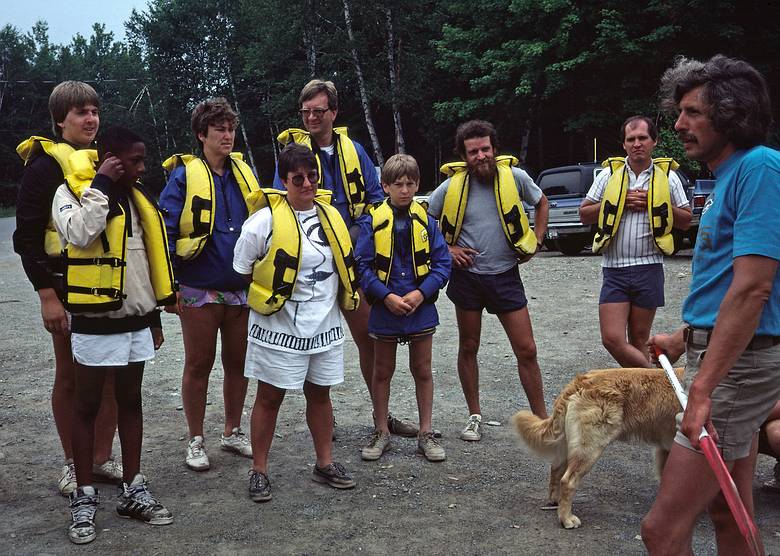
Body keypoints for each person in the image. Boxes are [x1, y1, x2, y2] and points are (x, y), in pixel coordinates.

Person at [641, 55, 780, 555]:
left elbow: (753, 289)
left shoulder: (760, 169)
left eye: (693, 112)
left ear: (731, 114)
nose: (679, 125)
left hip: (737, 368)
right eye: (679, 112)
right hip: (727, 359)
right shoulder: (728, 177)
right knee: (729, 511)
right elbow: (729, 287)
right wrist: (686, 336)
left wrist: (703, 388)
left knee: (662, 530)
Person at [52, 126, 175, 544]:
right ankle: (84, 495)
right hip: (93, 322)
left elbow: (142, 265)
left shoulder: (138, 201)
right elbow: (81, 233)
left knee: (130, 401)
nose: (142, 168)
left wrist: (154, 317)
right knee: (86, 406)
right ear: (113, 160)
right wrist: (102, 181)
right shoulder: (71, 193)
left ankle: (133, 487)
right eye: (135, 161)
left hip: (136, 322)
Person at [275, 79, 418, 438]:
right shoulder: (293, 154)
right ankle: (325, 421)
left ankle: (381, 416)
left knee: (369, 339)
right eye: (305, 112)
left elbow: (374, 199)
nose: (311, 117)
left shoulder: (354, 150)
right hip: (313, 262)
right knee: (313, 340)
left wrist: (356, 235)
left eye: (318, 111)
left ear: (333, 113)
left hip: (352, 260)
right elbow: (280, 205)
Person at [233, 143, 360, 502]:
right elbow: (241, 269)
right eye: (298, 178)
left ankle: (325, 462)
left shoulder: (330, 214)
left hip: (325, 324)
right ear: (285, 181)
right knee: (270, 396)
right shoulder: (264, 221)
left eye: (312, 176)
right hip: (280, 326)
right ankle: (259, 469)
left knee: (320, 393)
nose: (307, 184)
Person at [13, 80, 122, 495]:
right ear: (60, 120)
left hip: (109, 287)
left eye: (94, 110)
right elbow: (25, 239)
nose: (90, 118)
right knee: (73, 377)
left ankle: (100, 458)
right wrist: (47, 295)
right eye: (80, 112)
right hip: (66, 288)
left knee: (111, 377)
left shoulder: (105, 162)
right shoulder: (44, 168)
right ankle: (73, 464)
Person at [427, 120, 550, 442]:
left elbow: (541, 202)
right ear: (463, 155)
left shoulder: (516, 178)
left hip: (506, 275)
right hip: (467, 278)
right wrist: (448, 249)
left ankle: (542, 419)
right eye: (473, 152)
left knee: (527, 349)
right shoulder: (451, 188)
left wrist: (537, 239)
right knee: (468, 346)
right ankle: (474, 415)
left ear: (494, 149)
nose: (480, 156)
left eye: (485, 149)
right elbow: (424, 219)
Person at [159, 98, 259, 471]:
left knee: (238, 363)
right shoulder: (184, 175)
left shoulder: (243, 174)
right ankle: (195, 439)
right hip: (198, 286)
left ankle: (232, 432)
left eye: (231, 128)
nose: (227, 135)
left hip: (241, 288)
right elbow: (165, 231)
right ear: (201, 134)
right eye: (219, 129)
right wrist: (169, 287)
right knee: (198, 364)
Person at [355, 154, 451, 462]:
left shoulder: (428, 222)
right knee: (382, 371)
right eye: (398, 184)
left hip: (419, 307)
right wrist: (385, 296)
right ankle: (382, 430)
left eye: (411, 184)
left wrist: (421, 294)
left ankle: (426, 433)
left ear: (418, 184)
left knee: (422, 369)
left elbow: (442, 264)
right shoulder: (371, 222)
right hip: (386, 308)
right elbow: (363, 267)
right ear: (385, 186)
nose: (405, 190)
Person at [579, 116, 692, 368]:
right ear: (624, 144)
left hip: (649, 266)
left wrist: (654, 201)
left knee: (640, 338)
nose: (637, 144)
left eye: (643, 138)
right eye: (631, 139)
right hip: (614, 268)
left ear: (654, 141)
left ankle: (643, 401)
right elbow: (584, 213)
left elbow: (685, 220)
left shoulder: (668, 177)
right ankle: (660, 383)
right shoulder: (610, 174)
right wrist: (618, 202)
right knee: (612, 339)